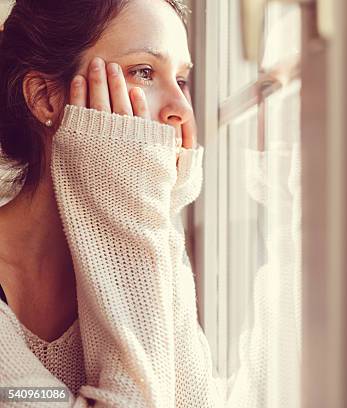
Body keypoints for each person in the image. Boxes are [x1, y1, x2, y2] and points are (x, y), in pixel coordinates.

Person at [0, 0, 222, 406]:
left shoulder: (142, 239)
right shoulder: (130, 238)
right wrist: (133, 216)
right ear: (45, 99)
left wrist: (154, 213)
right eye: (143, 72)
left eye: (182, 80)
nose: (181, 109)